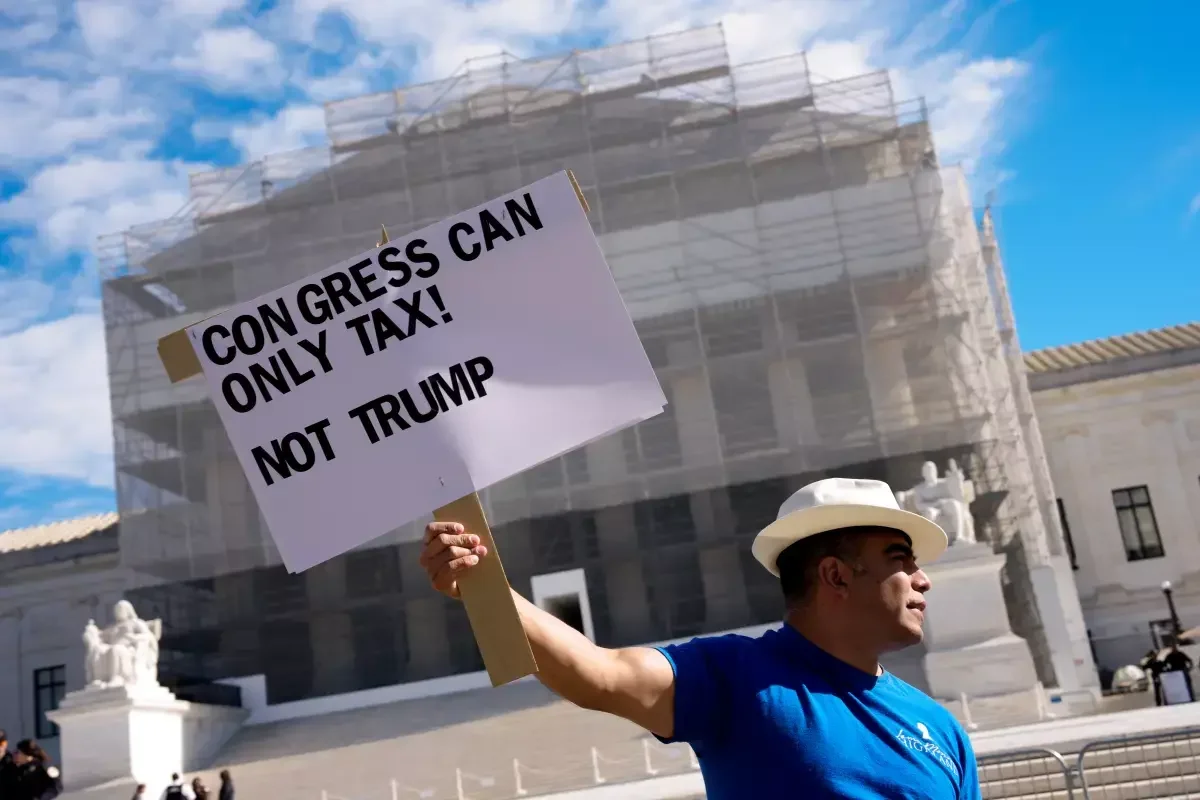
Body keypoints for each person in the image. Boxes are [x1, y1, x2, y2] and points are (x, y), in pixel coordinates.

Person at [421, 477, 982, 798]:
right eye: (899, 559)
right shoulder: (737, 680)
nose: (922, 577)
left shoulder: (941, 729)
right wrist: (482, 586)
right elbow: (598, 674)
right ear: (835, 575)